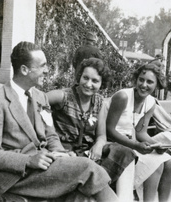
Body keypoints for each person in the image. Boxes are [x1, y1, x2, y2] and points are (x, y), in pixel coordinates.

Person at [0, 41, 118, 202]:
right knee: (88, 167)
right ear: (24, 70)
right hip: (17, 175)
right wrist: (29, 160)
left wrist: (62, 154)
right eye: (42, 66)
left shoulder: (40, 96)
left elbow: (51, 135)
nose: (47, 70)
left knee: (83, 197)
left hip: (45, 165)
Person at [46, 58, 137, 201]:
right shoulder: (63, 96)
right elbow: (37, 101)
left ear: (102, 84)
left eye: (95, 81)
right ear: (79, 77)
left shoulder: (99, 102)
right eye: (85, 78)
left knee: (125, 152)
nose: (88, 84)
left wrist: (99, 145)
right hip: (66, 153)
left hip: (86, 151)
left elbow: (101, 135)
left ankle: (124, 198)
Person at [106, 64, 171, 202]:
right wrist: (136, 145)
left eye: (150, 82)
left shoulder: (150, 103)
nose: (144, 85)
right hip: (111, 145)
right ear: (136, 80)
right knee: (157, 163)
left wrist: (157, 145)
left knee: (169, 161)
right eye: (141, 79)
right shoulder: (123, 97)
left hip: (129, 144)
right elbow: (109, 130)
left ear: (157, 85)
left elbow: (141, 133)